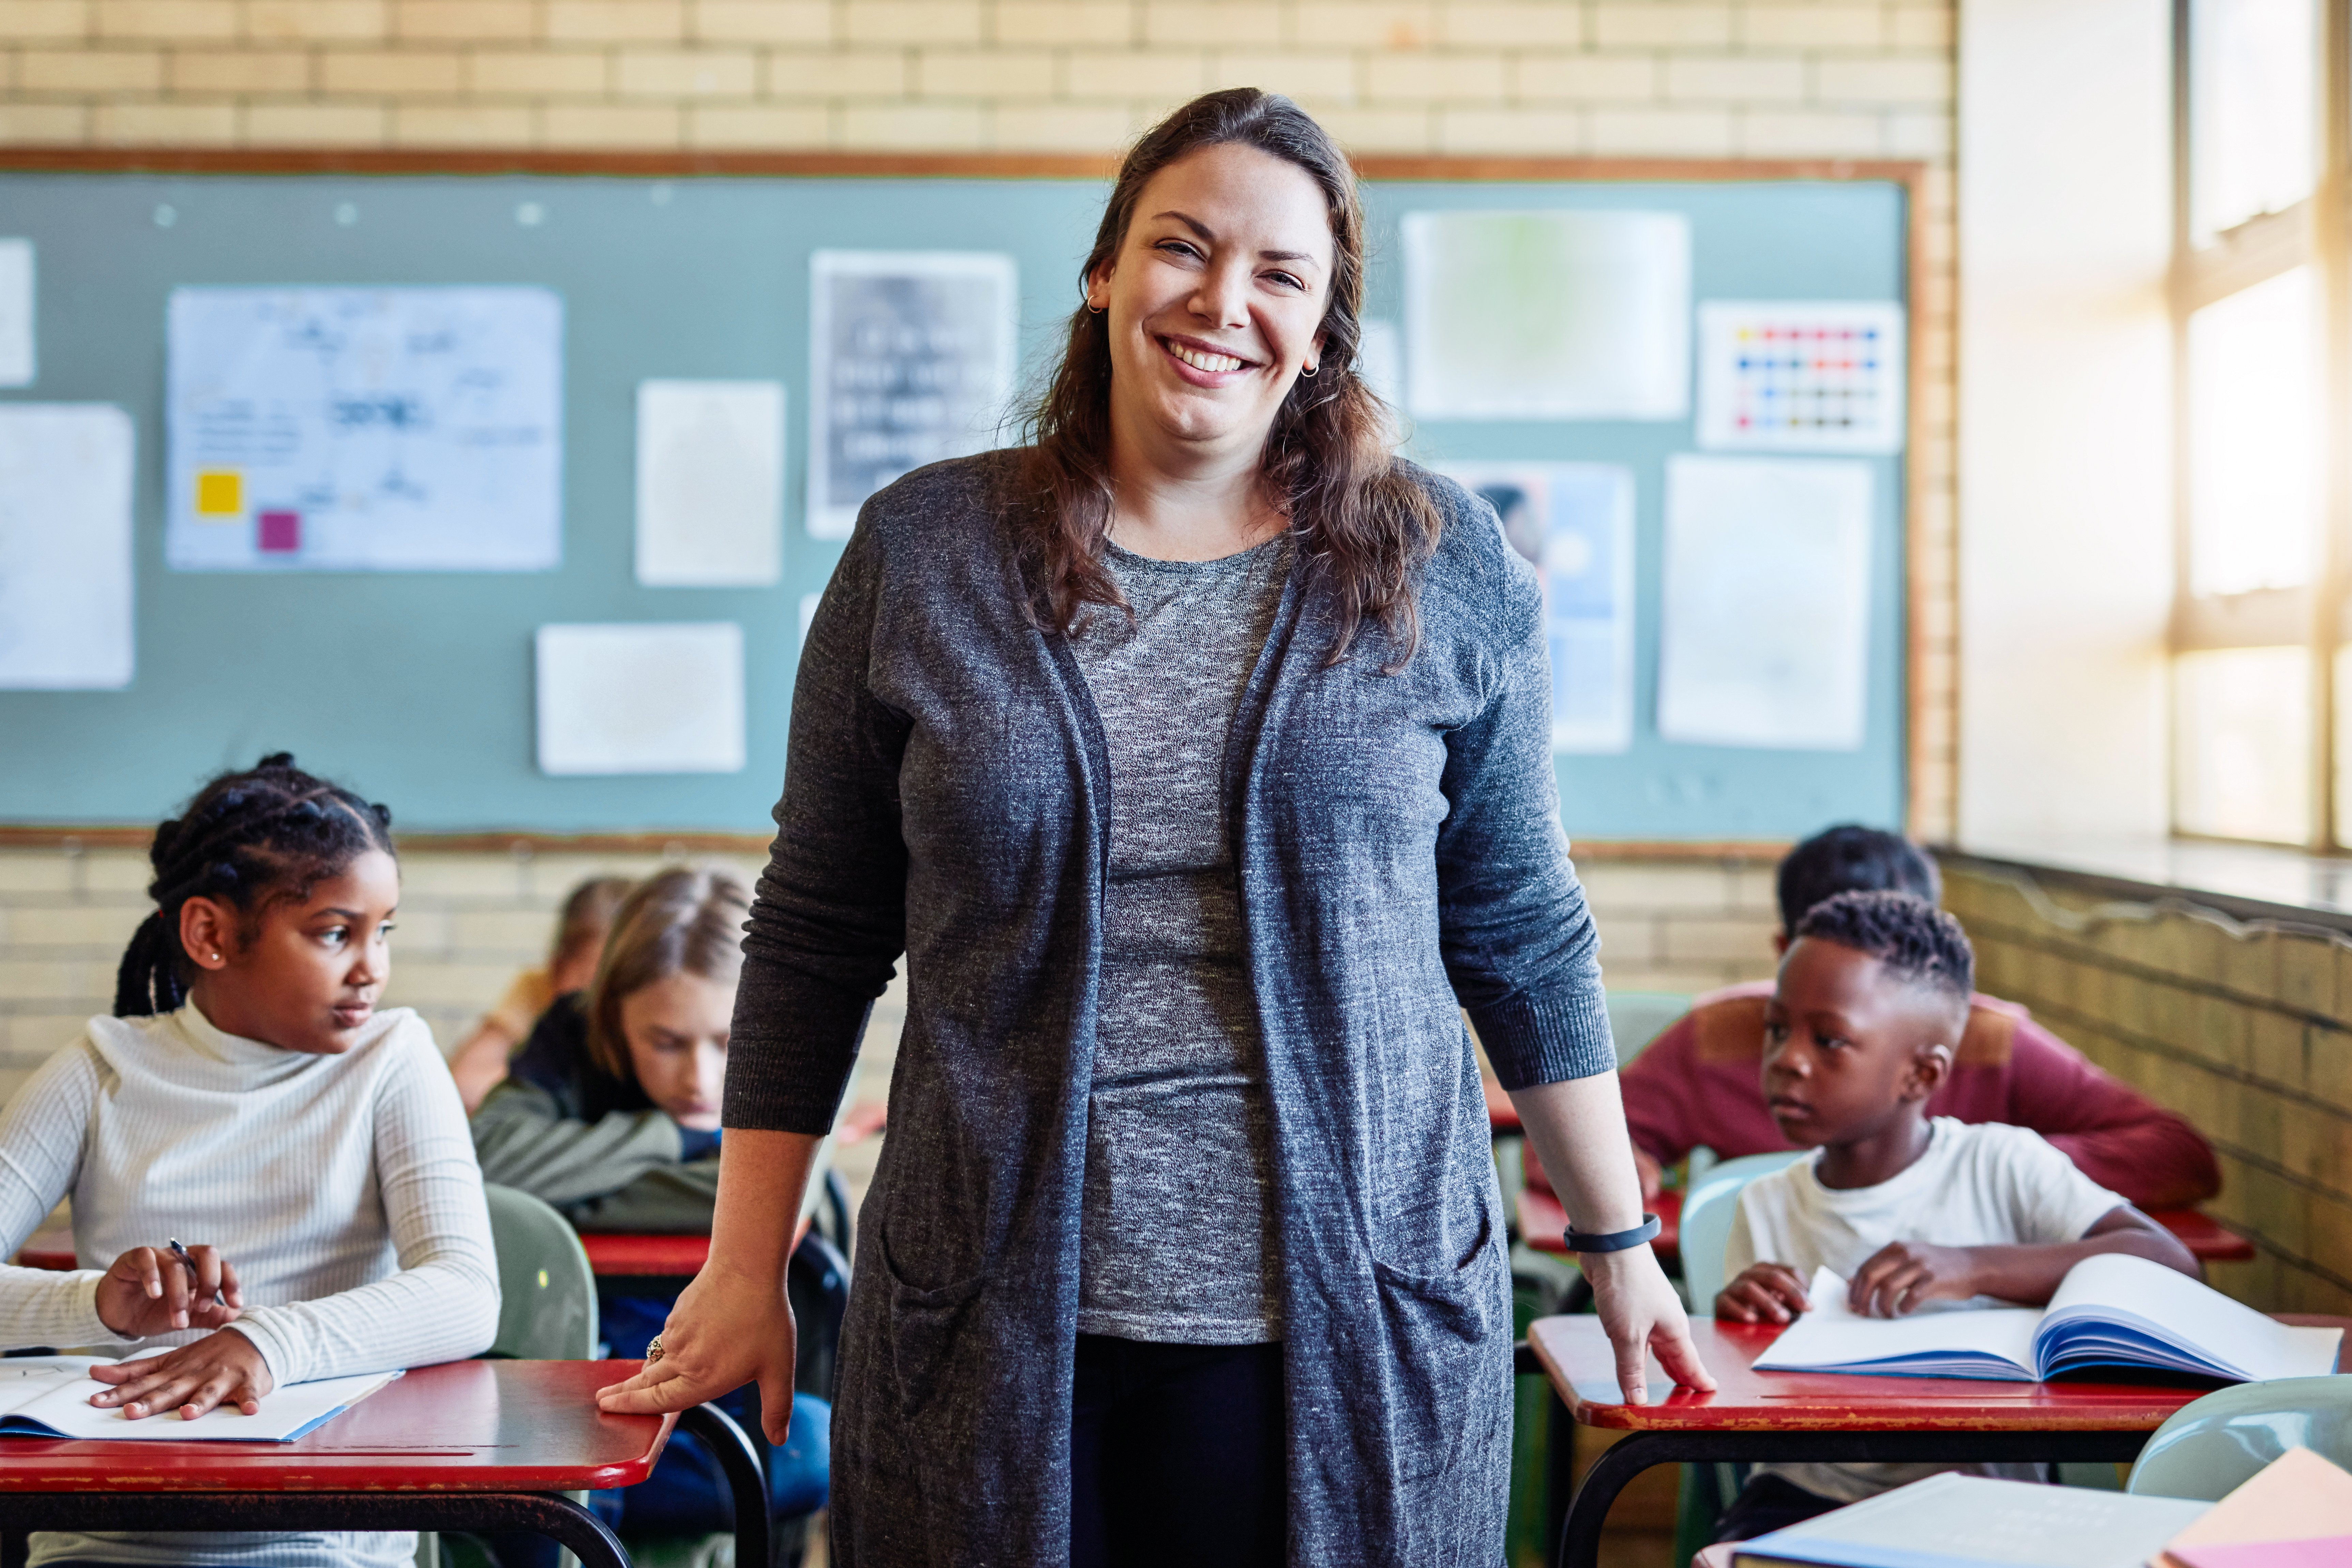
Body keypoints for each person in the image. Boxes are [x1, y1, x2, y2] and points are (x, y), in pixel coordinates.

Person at [597, 86, 1711, 1567]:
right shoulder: (920, 550)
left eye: (1278, 274)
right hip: (990, 1303)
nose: (1221, 301)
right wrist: (747, 1260)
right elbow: (813, 931)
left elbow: (1514, 925)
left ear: (1323, 330)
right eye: (1181, 247)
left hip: (1346, 1308)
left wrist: (1619, 1243)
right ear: (1104, 269)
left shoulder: (1445, 566)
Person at [0, 753, 500, 1568]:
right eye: (335, 933)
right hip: (106, 1539)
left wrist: (270, 1342)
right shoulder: (98, 1069)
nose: (371, 968)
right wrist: (100, 1305)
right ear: (211, 934)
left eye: (384, 932)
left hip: (325, 1535)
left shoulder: (392, 1059)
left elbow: (467, 1293)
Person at [1710, 889, 2199, 1542]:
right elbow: (1751, 1393)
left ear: (1921, 1074)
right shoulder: (1767, 1204)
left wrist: (1972, 1266)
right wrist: (1737, 1319)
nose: (1788, 1059)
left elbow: (2172, 1263)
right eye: (1778, 1029)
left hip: (1984, 1499)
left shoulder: (2001, 1164)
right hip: (1810, 1493)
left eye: (1828, 1040)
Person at [473, 866, 829, 1538]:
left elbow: (763, 1191)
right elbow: (490, 1158)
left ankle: (564, 1500)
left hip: (708, 1368)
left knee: (815, 1443)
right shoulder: (570, 1030)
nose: (697, 1077)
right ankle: (567, 1499)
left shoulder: (792, 1039)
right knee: (529, 1426)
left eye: (727, 1043)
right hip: (571, 1356)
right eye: (664, 1042)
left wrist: (561, 1192)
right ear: (612, 1017)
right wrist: (670, 1134)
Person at [1615, 824, 2220, 1210]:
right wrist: (1627, 1166)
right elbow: (1571, 1145)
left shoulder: (1992, 1042)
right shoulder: (1718, 1036)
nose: (1792, 1059)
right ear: (1786, 954)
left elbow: (2179, 1156)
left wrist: (1994, 1174)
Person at [448, 874, 633, 1112]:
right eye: (594, 987)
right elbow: (465, 1084)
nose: (607, 1007)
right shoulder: (537, 990)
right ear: (558, 969)